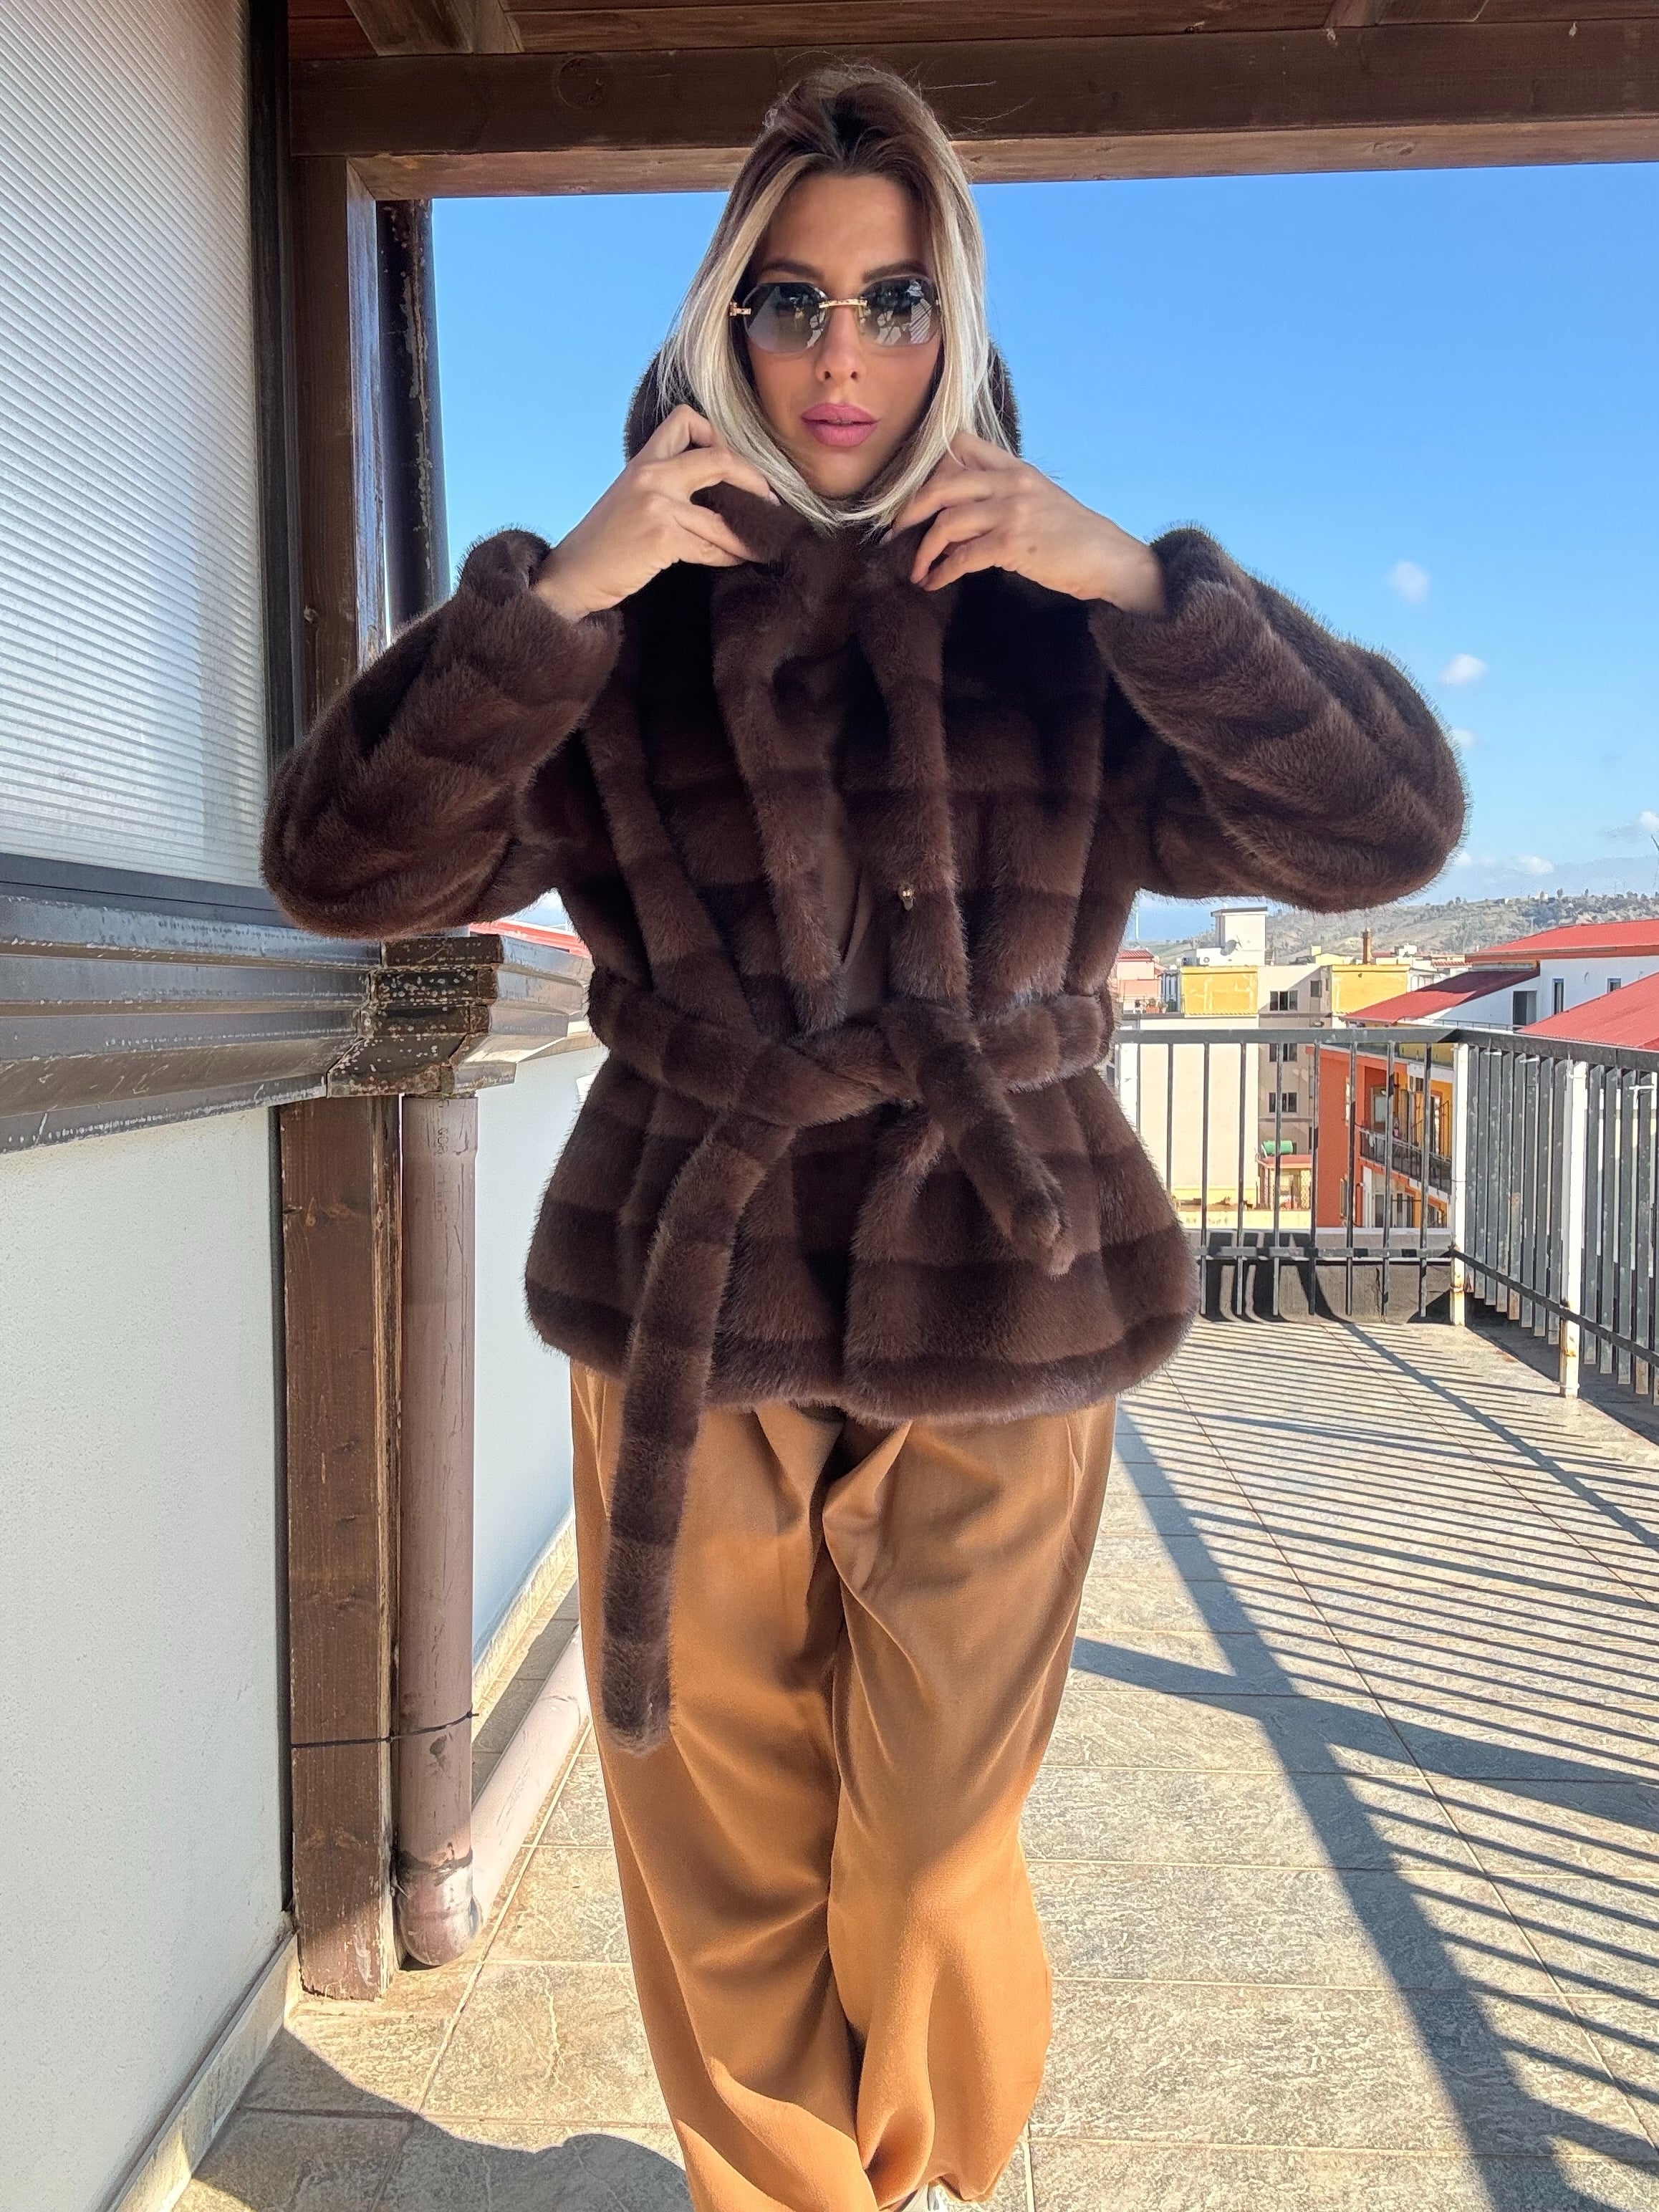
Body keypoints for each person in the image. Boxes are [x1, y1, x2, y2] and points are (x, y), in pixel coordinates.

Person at [262, 62, 1464, 2212]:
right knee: (717, 1853)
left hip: (1002, 1271)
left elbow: (1383, 830)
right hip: (688, 1274)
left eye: (894, 300)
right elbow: (342, 867)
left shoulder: (1064, 617)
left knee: (929, 1853)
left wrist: (1144, 586)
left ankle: (927, 2169)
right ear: (723, 320)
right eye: (793, 300)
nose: (842, 354)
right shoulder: (616, 616)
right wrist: (550, 606)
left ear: (955, 320)